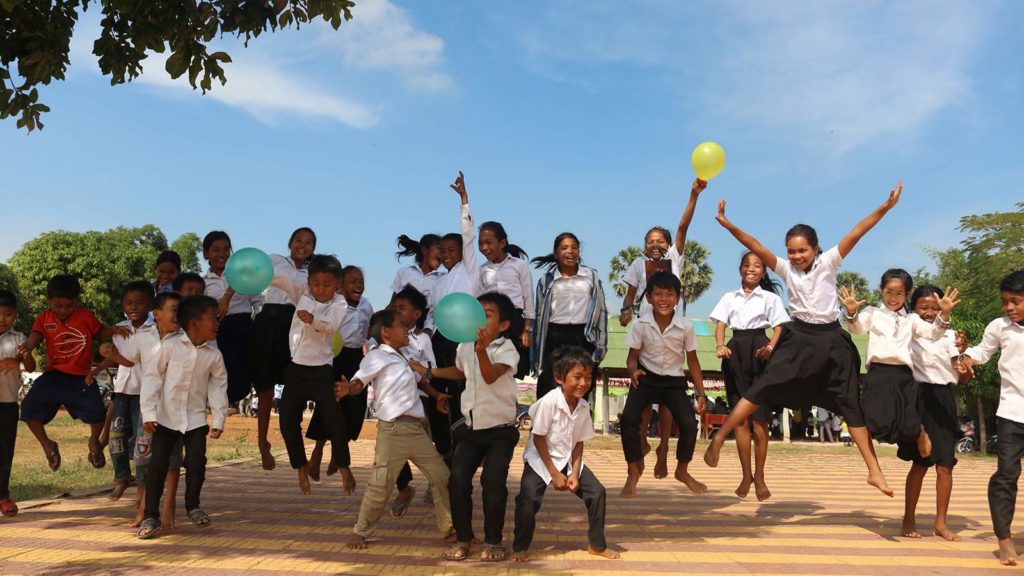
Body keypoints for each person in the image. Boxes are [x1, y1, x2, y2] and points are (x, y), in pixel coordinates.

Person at [704, 182, 904, 497]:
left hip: (831, 341)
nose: (797, 256)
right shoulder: (785, 270)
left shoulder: (829, 262)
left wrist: (885, 207)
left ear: (815, 249)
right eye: (792, 251)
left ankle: (874, 471)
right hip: (799, 338)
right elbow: (754, 244)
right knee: (761, 388)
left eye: (802, 250)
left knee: (850, 404)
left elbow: (856, 232)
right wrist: (729, 225)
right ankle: (719, 438)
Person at [416, 292, 520, 562]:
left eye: (487, 314)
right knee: (457, 480)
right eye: (477, 312)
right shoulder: (465, 346)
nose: (478, 318)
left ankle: (494, 541)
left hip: (501, 430)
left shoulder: (506, 349)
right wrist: (430, 372)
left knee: (492, 482)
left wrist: (481, 350)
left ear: (504, 325)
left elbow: (488, 375)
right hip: (472, 428)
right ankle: (464, 538)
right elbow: (462, 371)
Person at [618, 178, 707, 479]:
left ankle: (665, 449)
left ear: (669, 246)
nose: (655, 245)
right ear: (644, 245)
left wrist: (693, 196)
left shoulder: (675, 261)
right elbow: (630, 295)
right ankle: (642, 440)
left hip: (668, 338)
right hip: (645, 334)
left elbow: (682, 227)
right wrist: (625, 311)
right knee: (641, 392)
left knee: (670, 403)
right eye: (650, 241)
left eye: (661, 241)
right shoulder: (636, 265)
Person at [344, 309, 454, 551]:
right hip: (392, 431)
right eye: (401, 325)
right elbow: (359, 381)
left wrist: (435, 395)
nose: (407, 329)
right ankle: (360, 532)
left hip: (417, 430)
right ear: (386, 332)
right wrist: (348, 389)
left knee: (442, 476)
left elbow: (420, 379)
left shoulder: (404, 357)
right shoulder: (376, 357)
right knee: (380, 484)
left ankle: (449, 530)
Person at [511, 346, 619, 562]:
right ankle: (520, 546)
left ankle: (596, 545)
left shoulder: (584, 407)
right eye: (577, 377)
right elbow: (538, 438)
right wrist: (554, 473)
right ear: (560, 378)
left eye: (588, 377)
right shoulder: (550, 402)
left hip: (567, 459)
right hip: (540, 460)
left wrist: (575, 474)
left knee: (597, 493)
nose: (583, 383)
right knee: (528, 498)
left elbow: (578, 443)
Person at [137, 295, 229, 539]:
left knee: (197, 461)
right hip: (165, 418)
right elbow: (152, 378)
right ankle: (150, 516)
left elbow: (218, 387)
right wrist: (148, 412)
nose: (218, 323)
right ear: (194, 323)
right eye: (213, 319)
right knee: (157, 465)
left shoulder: (214, 355)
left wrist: (218, 419)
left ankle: (193, 506)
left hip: (196, 419)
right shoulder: (169, 346)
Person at [842, 269, 958, 457]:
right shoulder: (872, 313)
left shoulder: (911, 319)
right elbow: (857, 329)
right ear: (881, 290)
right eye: (889, 292)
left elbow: (933, 333)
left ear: (907, 294)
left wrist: (944, 314)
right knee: (877, 424)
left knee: (909, 426)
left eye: (899, 294)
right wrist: (851, 311)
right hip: (878, 374)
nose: (893, 298)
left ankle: (920, 433)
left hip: (903, 375)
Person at [18, 274, 127, 471]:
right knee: (27, 410)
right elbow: (34, 337)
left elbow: (99, 332)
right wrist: (27, 347)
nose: (63, 310)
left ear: (76, 302)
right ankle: (47, 445)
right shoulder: (44, 318)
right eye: (58, 306)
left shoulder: (84, 315)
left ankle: (94, 442)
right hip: (53, 376)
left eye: (69, 306)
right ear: (49, 300)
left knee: (98, 414)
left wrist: (113, 330)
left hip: (80, 378)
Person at [269, 254, 353, 495]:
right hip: (296, 369)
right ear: (309, 282)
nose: (321, 289)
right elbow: (280, 278)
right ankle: (300, 466)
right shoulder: (302, 293)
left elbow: (330, 326)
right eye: (316, 284)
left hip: (321, 371)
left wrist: (313, 319)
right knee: (287, 422)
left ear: (337, 284)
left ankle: (345, 467)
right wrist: (260, 271)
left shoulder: (339, 304)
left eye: (327, 285)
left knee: (335, 422)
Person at [620, 272, 708, 499]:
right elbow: (632, 357)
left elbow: (693, 361)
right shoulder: (640, 325)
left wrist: (701, 393)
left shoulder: (686, 327)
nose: (664, 299)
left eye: (669, 294)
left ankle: (682, 470)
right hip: (645, 379)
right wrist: (633, 371)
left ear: (677, 299)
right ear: (648, 298)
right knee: (629, 420)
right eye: (658, 294)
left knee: (689, 424)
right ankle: (632, 472)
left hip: (673, 382)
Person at [709, 250, 789, 501]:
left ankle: (761, 476)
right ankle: (745, 475)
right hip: (735, 353)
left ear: (764, 272)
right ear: (740, 269)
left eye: (757, 266)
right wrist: (720, 345)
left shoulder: (770, 298)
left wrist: (770, 348)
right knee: (740, 420)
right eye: (746, 265)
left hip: (760, 351)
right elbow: (720, 324)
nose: (751, 269)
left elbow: (779, 327)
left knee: (759, 420)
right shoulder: (728, 297)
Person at [100, 291, 184, 529]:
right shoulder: (143, 337)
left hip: (175, 407)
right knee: (144, 455)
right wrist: (112, 355)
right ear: (156, 314)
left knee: (173, 458)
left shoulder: (185, 339)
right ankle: (144, 506)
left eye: (180, 310)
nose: (178, 315)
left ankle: (169, 502)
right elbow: (129, 361)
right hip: (148, 406)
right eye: (173, 310)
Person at [960, 270, 1024, 566]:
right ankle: (1005, 538)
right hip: (1012, 412)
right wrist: (966, 358)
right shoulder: (1000, 326)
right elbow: (982, 351)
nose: (1008, 308)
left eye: (1015, 301)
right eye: (1005, 302)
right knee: (1007, 475)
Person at [898, 285, 968, 542]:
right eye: (923, 307)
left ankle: (941, 522)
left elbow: (961, 375)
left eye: (935, 308)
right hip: (917, 397)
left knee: (945, 465)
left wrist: (964, 360)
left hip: (943, 398)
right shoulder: (907, 332)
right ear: (913, 309)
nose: (929, 313)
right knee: (920, 463)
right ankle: (908, 518)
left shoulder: (950, 337)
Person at [249, 227, 315, 471]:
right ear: (290, 242)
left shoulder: (312, 274)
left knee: (293, 388)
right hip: (268, 321)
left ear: (313, 249)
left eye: (308, 242)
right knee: (265, 388)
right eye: (299, 240)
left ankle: (294, 450)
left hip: (294, 326)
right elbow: (250, 276)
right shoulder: (274, 260)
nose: (302, 245)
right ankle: (262, 442)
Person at [307, 265, 373, 481]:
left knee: (354, 406)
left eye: (361, 282)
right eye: (352, 281)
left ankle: (339, 452)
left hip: (357, 359)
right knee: (329, 404)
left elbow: (369, 334)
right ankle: (317, 451)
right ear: (341, 286)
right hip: (335, 357)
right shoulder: (335, 305)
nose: (358, 286)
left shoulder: (367, 307)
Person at [427, 171, 478, 437]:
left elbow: (468, 236)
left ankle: (463, 439)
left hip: (464, 339)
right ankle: (443, 444)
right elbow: (433, 315)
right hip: (441, 340)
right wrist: (426, 332)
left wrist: (464, 201)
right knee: (437, 386)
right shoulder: (438, 284)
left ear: (461, 252)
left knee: (461, 389)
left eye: (451, 250)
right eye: (442, 251)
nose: (446, 255)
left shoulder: (470, 270)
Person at [391, 285, 448, 517]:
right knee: (392, 446)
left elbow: (431, 369)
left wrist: (426, 382)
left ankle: (439, 485)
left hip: (422, 397)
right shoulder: (387, 336)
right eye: (394, 307)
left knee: (435, 446)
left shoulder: (423, 339)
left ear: (417, 314)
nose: (397, 311)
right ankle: (404, 487)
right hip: (397, 401)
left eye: (402, 308)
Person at [530, 232, 608, 400]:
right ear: (556, 253)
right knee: (550, 387)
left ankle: (579, 424)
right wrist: (537, 352)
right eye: (564, 248)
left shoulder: (591, 276)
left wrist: (601, 347)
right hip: (555, 336)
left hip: (583, 336)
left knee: (580, 388)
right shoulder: (547, 280)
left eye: (574, 247)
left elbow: (601, 311)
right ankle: (544, 425)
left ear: (579, 252)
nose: (570, 251)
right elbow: (538, 316)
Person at [100, 281, 156, 501]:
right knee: (117, 436)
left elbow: (131, 361)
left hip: (145, 392)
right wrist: (96, 370)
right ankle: (122, 477)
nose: (133, 307)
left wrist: (113, 357)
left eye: (140, 303)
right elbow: (114, 357)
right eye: (129, 303)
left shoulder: (155, 329)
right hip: (122, 390)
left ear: (150, 305)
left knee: (143, 440)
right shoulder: (119, 328)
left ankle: (143, 483)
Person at [202, 230, 262, 405]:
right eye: (216, 250)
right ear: (206, 253)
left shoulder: (244, 276)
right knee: (218, 373)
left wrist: (258, 324)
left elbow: (258, 302)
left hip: (243, 329)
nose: (222, 254)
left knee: (240, 378)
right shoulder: (203, 282)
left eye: (226, 249)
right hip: (217, 332)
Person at [477, 221, 533, 381]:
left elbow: (528, 298)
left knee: (510, 369)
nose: (484, 248)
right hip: (490, 322)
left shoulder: (519, 266)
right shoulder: (482, 270)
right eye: (480, 243)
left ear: (502, 242)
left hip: (514, 322)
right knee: (490, 363)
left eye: (489, 242)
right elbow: (479, 299)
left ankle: (511, 404)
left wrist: (526, 330)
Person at [0, 289, 36, 517]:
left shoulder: (19, 339)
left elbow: (30, 367)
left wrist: (21, 360)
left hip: (8, 404)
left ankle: (3, 495)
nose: (2, 319)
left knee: (5, 451)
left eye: (8, 314)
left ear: (15, 316)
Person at [391, 233, 445, 306]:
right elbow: (393, 302)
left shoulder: (442, 278)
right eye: (440, 249)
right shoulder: (404, 271)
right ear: (424, 250)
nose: (443, 254)